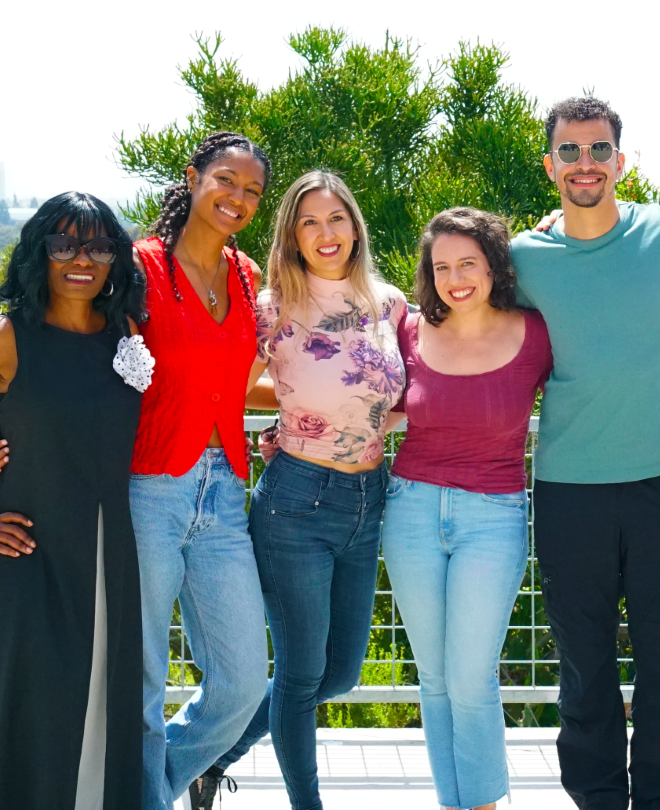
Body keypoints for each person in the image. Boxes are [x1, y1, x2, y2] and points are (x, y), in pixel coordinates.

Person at [512, 96, 660, 810]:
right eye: (569, 151)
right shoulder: (524, 258)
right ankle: (596, 799)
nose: (584, 163)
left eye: (598, 150)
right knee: (583, 665)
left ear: (620, 162)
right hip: (569, 489)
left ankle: (659, 801)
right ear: (550, 165)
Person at [192, 171, 407, 810]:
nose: (325, 233)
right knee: (301, 674)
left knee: (338, 673)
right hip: (296, 502)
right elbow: (223, 383)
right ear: (292, 234)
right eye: (309, 222)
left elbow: (416, 388)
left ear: (354, 225)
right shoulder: (272, 306)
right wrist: (291, 413)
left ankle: (216, 757)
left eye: (335, 218)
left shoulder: (389, 304)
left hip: (369, 500)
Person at [380, 207, 551, 810]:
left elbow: (599, 383)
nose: (456, 278)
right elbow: (381, 403)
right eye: (442, 266)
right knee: (434, 679)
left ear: (494, 266)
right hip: (412, 510)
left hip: (494, 516)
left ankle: (481, 803)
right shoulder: (406, 331)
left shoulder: (535, 333)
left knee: (471, 678)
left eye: (469, 264)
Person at [129, 132, 274, 810]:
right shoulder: (136, 267)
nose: (237, 197)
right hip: (146, 487)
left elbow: (240, 382)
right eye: (225, 180)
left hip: (222, 494)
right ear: (191, 179)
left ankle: (146, 790)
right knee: (142, 683)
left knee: (243, 683)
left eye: (251, 190)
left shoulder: (246, 274)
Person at [0, 193, 149, 808]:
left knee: (101, 697)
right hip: (28, 548)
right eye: (63, 244)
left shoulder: (127, 335)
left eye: (97, 246)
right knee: (35, 705)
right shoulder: (11, 336)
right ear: (40, 252)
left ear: (115, 258)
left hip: (107, 543)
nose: (80, 259)